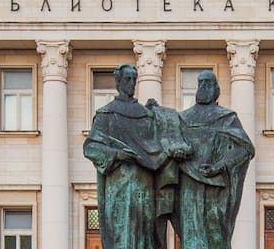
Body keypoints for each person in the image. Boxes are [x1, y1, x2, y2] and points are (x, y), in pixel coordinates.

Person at [83, 64, 182, 249]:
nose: (131, 84)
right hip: (119, 185)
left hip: (145, 184)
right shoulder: (107, 114)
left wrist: (159, 114)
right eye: (127, 79)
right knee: (122, 234)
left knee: (146, 235)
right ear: (118, 82)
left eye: (134, 80)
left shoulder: (146, 115)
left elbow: (160, 138)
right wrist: (116, 154)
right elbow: (91, 147)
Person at [175, 70, 255, 249]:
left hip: (217, 186)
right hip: (189, 184)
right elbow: (171, 143)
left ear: (216, 90)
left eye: (208, 83)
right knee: (190, 233)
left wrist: (219, 166)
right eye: (200, 83)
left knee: (216, 235)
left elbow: (244, 149)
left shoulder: (227, 118)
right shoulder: (183, 118)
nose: (203, 86)